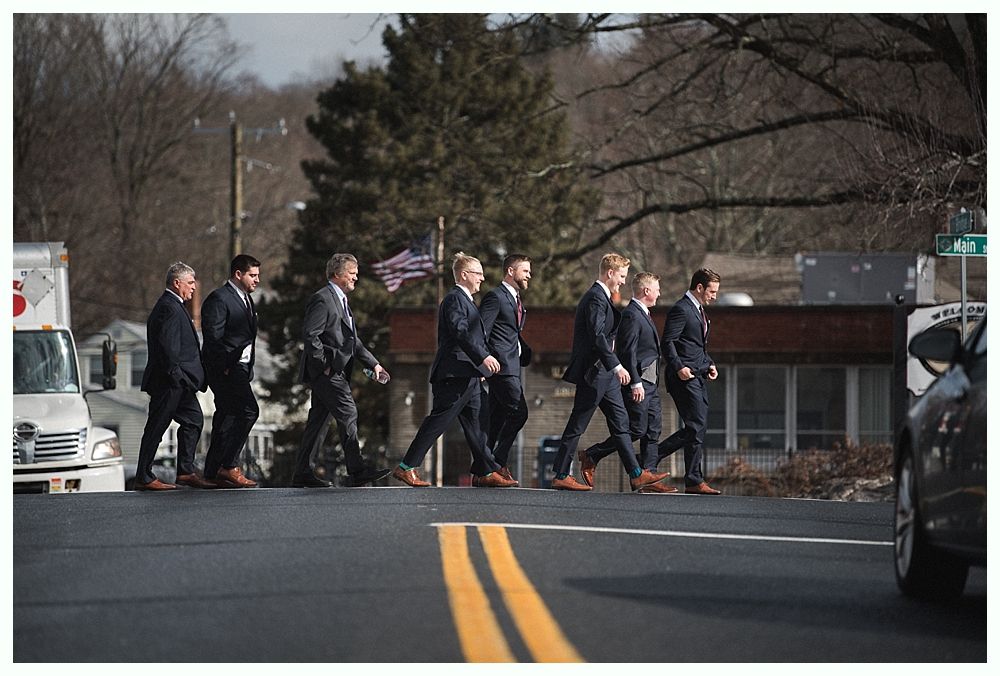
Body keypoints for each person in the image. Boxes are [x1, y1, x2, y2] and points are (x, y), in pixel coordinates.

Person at [393, 252, 517, 489]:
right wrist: (483, 357)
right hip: (454, 375)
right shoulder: (454, 299)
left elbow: (474, 337)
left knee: (479, 422)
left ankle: (485, 471)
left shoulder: (467, 301)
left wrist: (480, 365)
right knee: (439, 421)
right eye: (478, 273)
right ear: (464, 275)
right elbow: (461, 332)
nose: (482, 278)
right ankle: (407, 466)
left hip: (469, 374)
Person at [548, 253, 670, 492]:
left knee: (621, 424)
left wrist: (613, 368)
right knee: (578, 424)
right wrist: (617, 365)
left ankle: (636, 474)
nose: (623, 281)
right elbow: (597, 336)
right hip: (594, 373)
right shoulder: (595, 298)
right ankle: (561, 474)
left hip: (606, 375)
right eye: (621, 276)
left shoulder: (603, 298)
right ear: (610, 273)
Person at [292, 253, 392, 488]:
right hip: (327, 372)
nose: (356, 277)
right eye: (352, 273)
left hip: (333, 371)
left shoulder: (341, 300)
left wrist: (374, 364)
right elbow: (311, 335)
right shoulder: (323, 299)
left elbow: (352, 342)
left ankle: (302, 472)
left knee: (319, 422)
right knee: (348, 412)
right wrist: (324, 366)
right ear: (337, 274)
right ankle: (357, 470)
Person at [578, 272, 678, 493]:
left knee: (653, 430)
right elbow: (627, 351)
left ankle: (648, 477)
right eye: (657, 289)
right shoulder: (632, 315)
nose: (659, 293)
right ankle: (593, 454)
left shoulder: (644, 314)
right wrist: (635, 382)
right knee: (636, 429)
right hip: (639, 382)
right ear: (646, 291)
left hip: (651, 383)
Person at [134, 262, 210, 491]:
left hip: (179, 383)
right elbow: (167, 349)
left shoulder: (175, 305)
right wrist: (178, 377)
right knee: (157, 427)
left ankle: (185, 472)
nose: (193, 287)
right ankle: (144, 476)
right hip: (169, 382)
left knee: (193, 420)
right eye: (190, 283)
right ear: (177, 283)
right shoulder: (168, 307)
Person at [656, 268, 723, 495]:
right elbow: (668, 342)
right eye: (712, 291)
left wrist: (710, 363)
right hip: (683, 377)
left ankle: (652, 459)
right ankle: (693, 478)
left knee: (697, 426)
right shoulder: (681, 309)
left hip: (698, 374)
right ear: (700, 287)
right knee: (696, 426)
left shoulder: (699, 311)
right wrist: (679, 367)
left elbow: (696, 346)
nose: (715, 296)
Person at [200, 254, 262, 489]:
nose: (257, 280)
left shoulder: (247, 299)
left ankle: (212, 471)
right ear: (238, 274)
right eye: (252, 275)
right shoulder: (219, 298)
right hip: (227, 368)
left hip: (241, 368)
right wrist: (225, 365)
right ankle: (229, 465)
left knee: (226, 417)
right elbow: (212, 336)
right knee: (249, 411)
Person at [479, 254, 533, 486]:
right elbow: (482, 330)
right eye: (525, 271)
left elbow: (511, 332)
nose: (529, 275)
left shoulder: (516, 299)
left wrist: (524, 349)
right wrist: (483, 360)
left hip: (512, 365)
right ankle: (496, 462)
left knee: (496, 420)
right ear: (511, 271)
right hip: (501, 367)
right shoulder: (495, 297)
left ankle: (482, 471)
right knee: (520, 413)